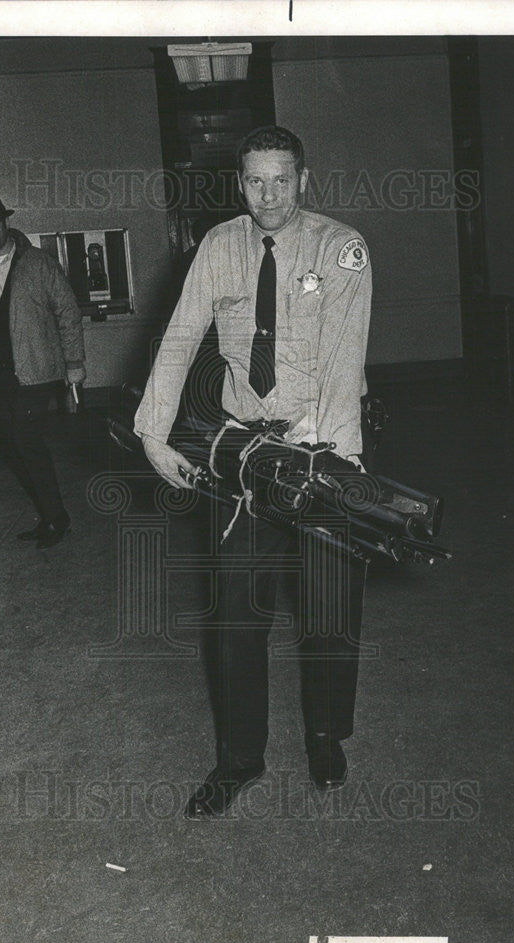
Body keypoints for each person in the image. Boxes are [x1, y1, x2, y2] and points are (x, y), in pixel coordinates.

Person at [135, 126, 373, 818]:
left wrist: (336, 463)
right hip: (243, 456)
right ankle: (239, 759)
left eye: (281, 179)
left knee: (328, 610)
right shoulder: (219, 247)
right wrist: (153, 432)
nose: (268, 195)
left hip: (323, 447)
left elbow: (342, 357)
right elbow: (179, 336)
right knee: (234, 616)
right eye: (253, 181)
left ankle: (326, 735)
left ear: (303, 179)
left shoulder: (339, 248)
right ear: (238, 182)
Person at [0, 191, 86, 549]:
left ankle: (57, 519)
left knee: (27, 443)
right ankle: (50, 516)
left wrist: (74, 364)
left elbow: (69, 314)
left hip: (36, 371)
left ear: (5, 222)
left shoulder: (38, 263)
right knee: (14, 447)